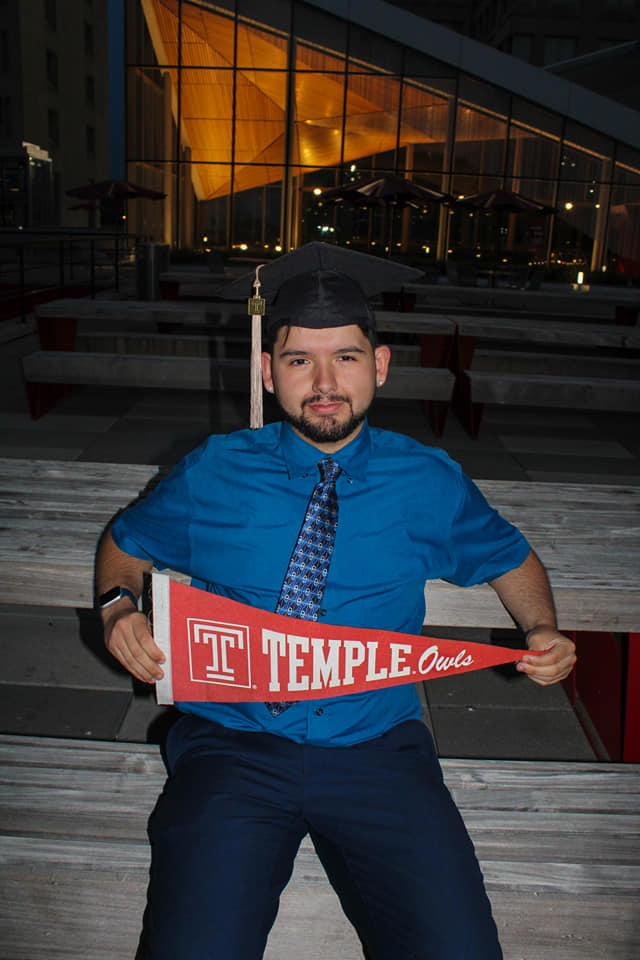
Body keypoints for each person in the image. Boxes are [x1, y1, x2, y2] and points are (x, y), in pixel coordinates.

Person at [96, 245, 576, 960]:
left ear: (379, 366)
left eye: (345, 358)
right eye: (299, 360)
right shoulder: (215, 471)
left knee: (459, 949)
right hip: (233, 746)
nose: (324, 383)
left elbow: (510, 557)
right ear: (268, 372)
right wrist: (116, 606)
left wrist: (542, 627)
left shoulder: (427, 481)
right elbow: (126, 542)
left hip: (377, 747)